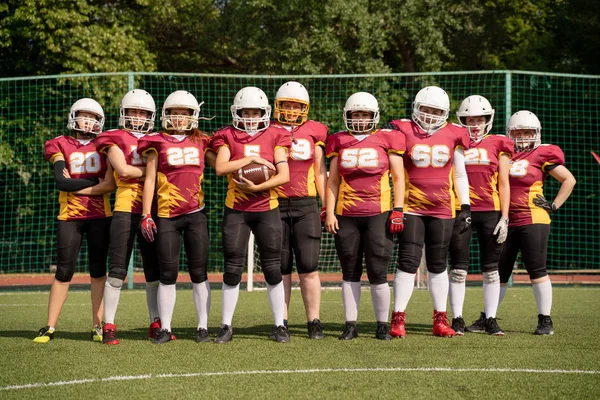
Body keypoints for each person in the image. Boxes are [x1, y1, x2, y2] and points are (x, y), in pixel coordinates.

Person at [387, 86, 470, 338]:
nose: (431, 115)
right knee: (408, 262)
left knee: (437, 265)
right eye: (426, 109)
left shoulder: (454, 134)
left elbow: (459, 173)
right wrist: (397, 206)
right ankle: (398, 318)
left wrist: (465, 205)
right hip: (412, 206)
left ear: (445, 113)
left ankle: (440, 319)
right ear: (416, 107)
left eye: (437, 111)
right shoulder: (402, 131)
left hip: (443, 208)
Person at [211, 86, 292, 343]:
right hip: (237, 209)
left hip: (267, 207)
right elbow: (221, 167)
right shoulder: (228, 136)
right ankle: (226, 325)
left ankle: (280, 325)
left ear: (264, 113)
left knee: (272, 267)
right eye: (245, 112)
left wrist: (257, 186)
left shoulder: (276, 135)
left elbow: (284, 175)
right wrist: (250, 160)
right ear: (237, 112)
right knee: (233, 268)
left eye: (255, 112)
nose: (250, 117)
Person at [324, 92, 405, 341]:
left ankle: (382, 324)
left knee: (378, 272)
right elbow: (333, 181)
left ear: (374, 116)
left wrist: (398, 210)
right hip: (346, 214)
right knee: (349, 272)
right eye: (355, 114)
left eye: (365, 114)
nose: (360, 119)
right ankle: (350, 325)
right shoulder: (338, 140)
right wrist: (329, 211)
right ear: (348, 116)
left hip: (377, 213)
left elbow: (399, 177)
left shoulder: (386, 139)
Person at [34, 98, 114, 343]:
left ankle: (97, 326)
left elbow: (109, 185)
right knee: (64, 270)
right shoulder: (59, 144)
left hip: (100, 215)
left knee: (98, 270)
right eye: (84, 115)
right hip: (70, 215)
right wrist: (93, 183)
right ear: (73, 117)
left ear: (100, 121)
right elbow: (62, 182)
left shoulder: (106, 145)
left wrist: (77, 185)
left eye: (93, 117)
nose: (88, 121)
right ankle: (49, 326)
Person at [138, 90, 215, 344]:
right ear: (165, 115)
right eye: (174, 113)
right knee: (167, 273)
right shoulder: (156, 142)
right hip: (167, 215)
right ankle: (165, 328)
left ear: (193, 116)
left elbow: (222, 164)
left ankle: (202, 327)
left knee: (198, 272)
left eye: (184, 113)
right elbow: (149, 180)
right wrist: (146, 213)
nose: (179, 118)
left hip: (195, 213)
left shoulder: (202, 141)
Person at [498, 110, 576, 335]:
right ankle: (488, 317)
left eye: (528, 132)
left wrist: (554, 204)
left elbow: (569, 179)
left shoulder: (542, 154)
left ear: (536, 134)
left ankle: (545, 320)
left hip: (533, 218)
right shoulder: (503, 154)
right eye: (518, 132)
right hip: (505, 219)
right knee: (499, 272)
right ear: (510, 134)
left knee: (537, 270)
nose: (523, 137)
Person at [95, 89, 162, 345]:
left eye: (142, 112)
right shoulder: (113, 138)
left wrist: (146, 174)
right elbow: (122, 169)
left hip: (153, 208)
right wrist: (153, 172)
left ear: (150, 116)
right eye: (133, 111)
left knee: (153, 271)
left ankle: (155, 322)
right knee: (117, 270)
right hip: (125, 208)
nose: (137, 116)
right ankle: (109, 324)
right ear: (124, 112)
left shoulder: (157, 138)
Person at [448, 95, 513, 336]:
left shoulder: (499, 143)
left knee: (491, 268)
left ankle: (491, 319)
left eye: (480, 119)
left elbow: (504, 184)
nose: (475, 124)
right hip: (460, 209)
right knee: (458, 268)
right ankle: (457, 318)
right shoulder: (454, 142)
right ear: (462, 120)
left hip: (490, 210)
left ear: (488, 119)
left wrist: (504, 217)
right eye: (470, 119)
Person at [271, 81, 328, 339]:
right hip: (275, 204)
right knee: (281, 268)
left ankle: (313, 321)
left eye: (297, 106)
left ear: (304, 108)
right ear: (278, 106)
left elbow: (318, 171)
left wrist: (327, 206)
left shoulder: (315, 130)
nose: (292, 110)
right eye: (287, 105)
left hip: (306, 204)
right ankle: (281, 321)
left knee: (308, 267)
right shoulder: (268, 130)